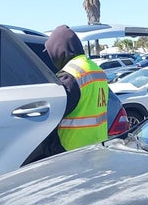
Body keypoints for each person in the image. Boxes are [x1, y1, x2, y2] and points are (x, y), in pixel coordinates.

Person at [31, 24, 109, 160]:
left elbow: (54, 113)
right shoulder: (95, 69)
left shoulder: (71, 75)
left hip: (73, 150)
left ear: (59, 49)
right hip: (97, 144)